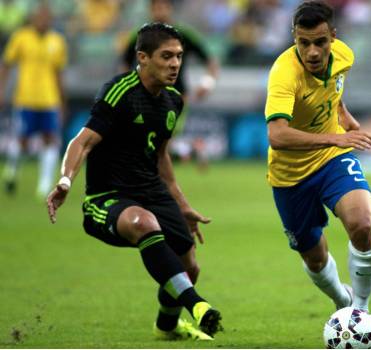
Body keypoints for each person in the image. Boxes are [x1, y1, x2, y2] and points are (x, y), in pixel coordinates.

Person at [46, 22, 222, 341]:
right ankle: (198, 307)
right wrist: (65, 181)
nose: (175, 64)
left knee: (189, 268)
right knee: (144, 223)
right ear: (142, 57)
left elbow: (162, 158)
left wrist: (182, 206)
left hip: (152, 190)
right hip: (108, 196)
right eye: (166, 56)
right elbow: (82, 141)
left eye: (179, 57)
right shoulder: (120, 92)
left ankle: (166, 327)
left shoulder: (173, 100)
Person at [265, 0, 371, 312]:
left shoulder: (343, 55)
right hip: (290, 176)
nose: (312, 52)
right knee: (314, 258)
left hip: (331, 159)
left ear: (333, 36)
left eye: (320, 42)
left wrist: (343, 114)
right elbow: (277, 135)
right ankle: (344, 302)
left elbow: (334, 89)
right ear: (294, 38)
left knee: (362, 225)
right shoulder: (283, 74)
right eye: (304, 43)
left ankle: (361, 312)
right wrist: (336, 137)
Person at [0, 3, 67, 198]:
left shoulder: (57, 41)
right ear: (33, 18)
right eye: (40, 17)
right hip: (25, 98)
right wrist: (2, 90)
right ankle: (11, 172)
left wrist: (62, 100)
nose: (44, 21)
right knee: (22, 140)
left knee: (50, 139)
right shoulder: (21, 37)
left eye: (47, 17)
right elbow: (7, 65)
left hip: (49, 99)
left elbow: (59, 73)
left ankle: (44, 185)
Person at [121, 0, 219, 102]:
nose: (160, 13)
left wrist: (207, 84)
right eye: (156, 8)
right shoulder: (139, 36)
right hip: (145, 98)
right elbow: (125, 63)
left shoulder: (183, 35)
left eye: (163, 8)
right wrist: (129, 88)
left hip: (176, 97)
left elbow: (210, 61)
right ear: (150, 10)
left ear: (170, 9)